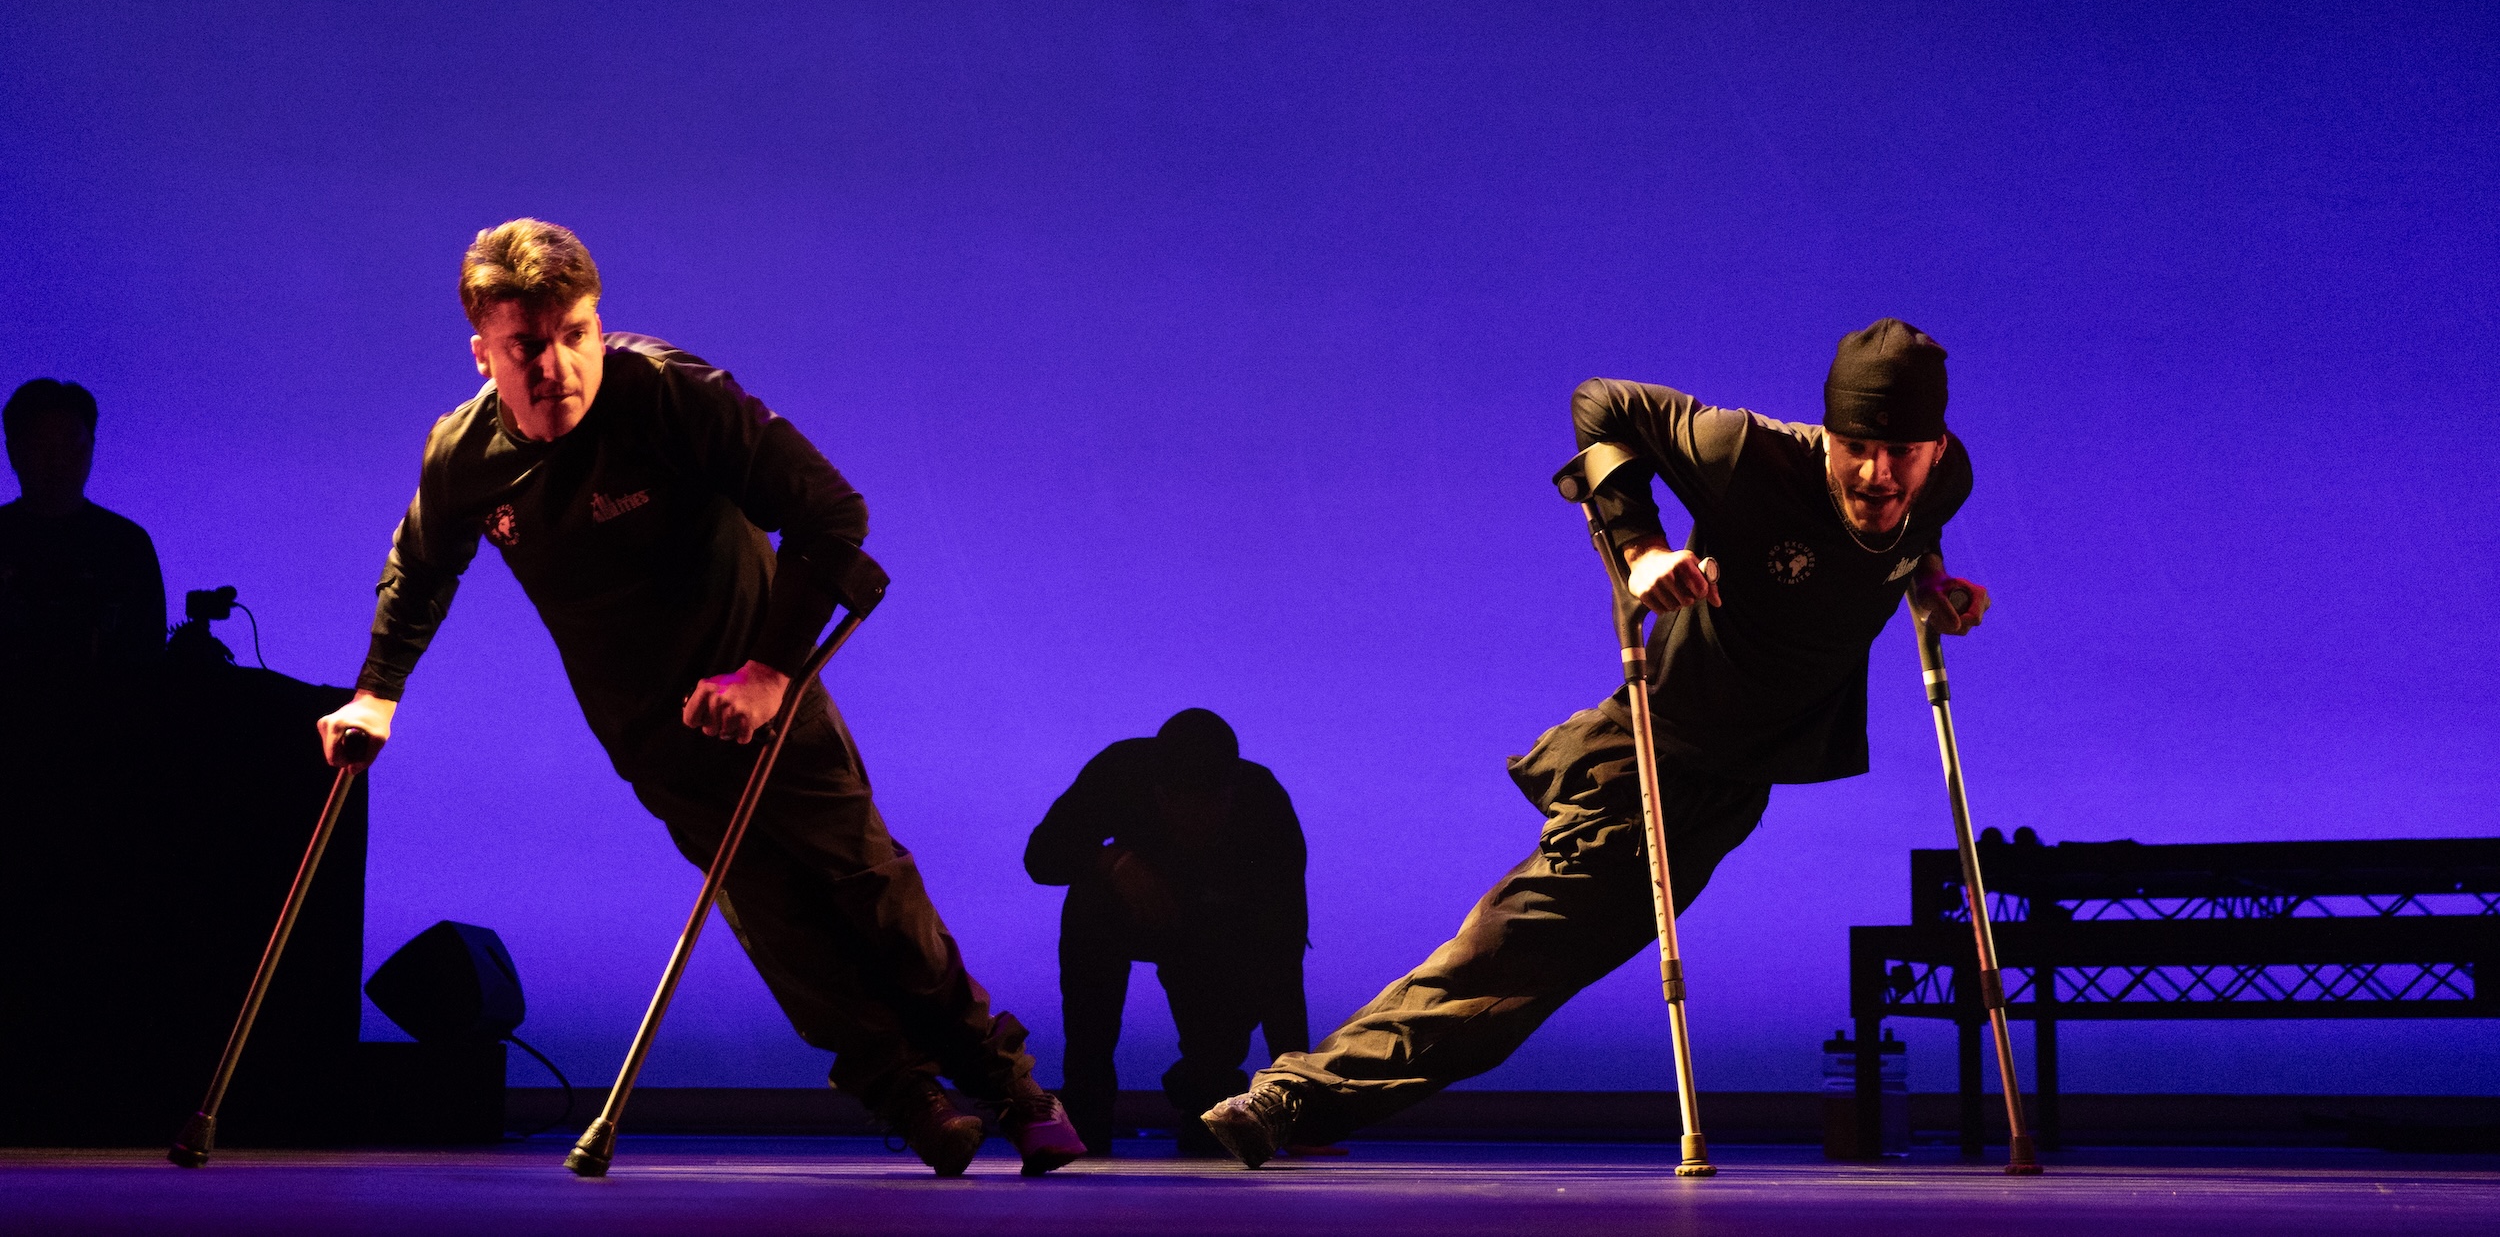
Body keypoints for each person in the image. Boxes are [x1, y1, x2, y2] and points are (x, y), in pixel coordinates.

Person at [314, 219, 1084, 1177]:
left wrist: (765, 673)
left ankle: (1006, 1082)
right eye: (526, 346)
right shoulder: (463, 455)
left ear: (599, 327)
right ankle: (908, 1095)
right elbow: (419, 567)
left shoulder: (669, 394)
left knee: (868, 889)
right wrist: (377, 694)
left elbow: (831, 513)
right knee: (773, 916)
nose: (556, 365)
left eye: (575, 335)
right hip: (647, 728)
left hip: (766, 695)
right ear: (484, 354)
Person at [1200, 318, 1989, 1165]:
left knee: (1524, 979)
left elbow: (1910, 538)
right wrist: (1642, 545)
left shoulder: (1945, 483)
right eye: (1854, 446)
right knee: (1516, 959)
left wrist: (1932, 584)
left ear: (1936, 448)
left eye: (1900, 451)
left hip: (1735, 786)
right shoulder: (1744, 454)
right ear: (1827, 432)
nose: (1876, 473)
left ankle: (1315, 1106)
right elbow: (1600, 404)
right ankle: (1289, 1096)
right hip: (1652, 754)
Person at [1024, 709, 1310, 1156]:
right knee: (1089, 905)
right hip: (1116, 919)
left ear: (1232, 793)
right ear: (1158, 794)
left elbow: (1282, 952)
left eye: (1211, 804)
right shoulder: (1118, 774)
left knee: (1213, 1085)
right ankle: (1087, 1099)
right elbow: (1041, 856)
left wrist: (1298, 1104)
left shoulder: (1265, 809)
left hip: (1209, 934)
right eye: (1183, 805)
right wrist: (1114, 863)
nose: (1197, 822)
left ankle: (1205, 1089)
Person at [0, 379, 165, 682]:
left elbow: (147, 662)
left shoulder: (127, 546)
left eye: (71, 445)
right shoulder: (125, 543)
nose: (57, 461)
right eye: (41, 446)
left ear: (91, 447)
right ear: (13, 452)